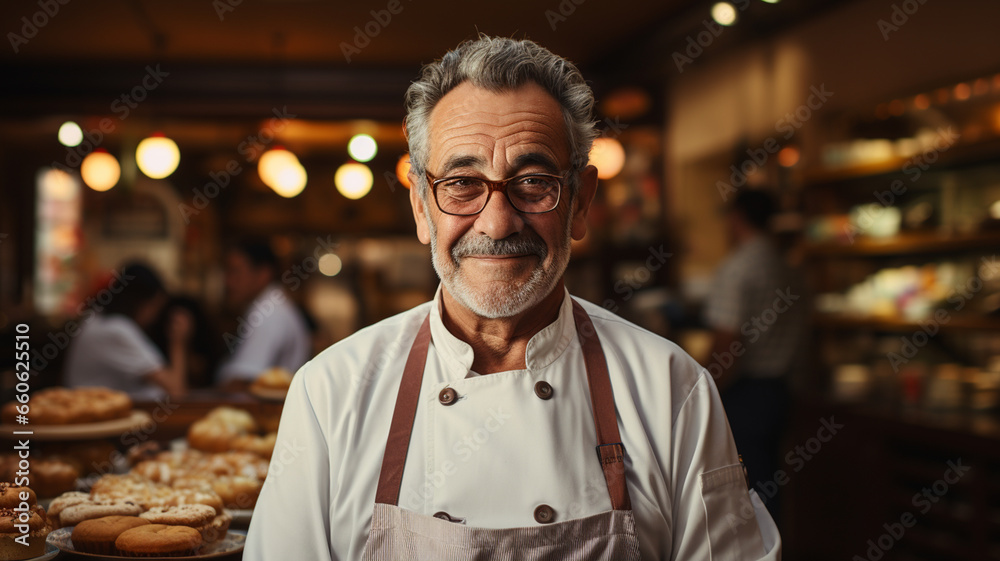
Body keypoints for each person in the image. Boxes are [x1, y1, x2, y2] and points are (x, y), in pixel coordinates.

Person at [246, 36, 780, 560]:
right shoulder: (329, 393)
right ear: (420, 207)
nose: (497, 223)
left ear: (579, 202)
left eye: (533, 182)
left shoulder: (673, 390)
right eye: (461, 182)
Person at [702, 189, 806, 526]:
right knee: (772, 485)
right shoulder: (786, 266)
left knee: (747, 491)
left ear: (737, 218)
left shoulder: (737, 268)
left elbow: (728, 347)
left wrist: (702, 393)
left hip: (746, 395)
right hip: (782, 390)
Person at [65, 261, 190, 401]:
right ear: (141, 302)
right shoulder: (116, 330)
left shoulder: (96, 319)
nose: (155, 317)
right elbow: (176, 391)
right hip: (97, 414)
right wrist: (178, 342)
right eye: (155, 306)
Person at [215, 240, 310, 389]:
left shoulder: (269, 312)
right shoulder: (270, 305)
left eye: (236, 271)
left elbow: (242, 380)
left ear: (263, 274)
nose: (228, 282)